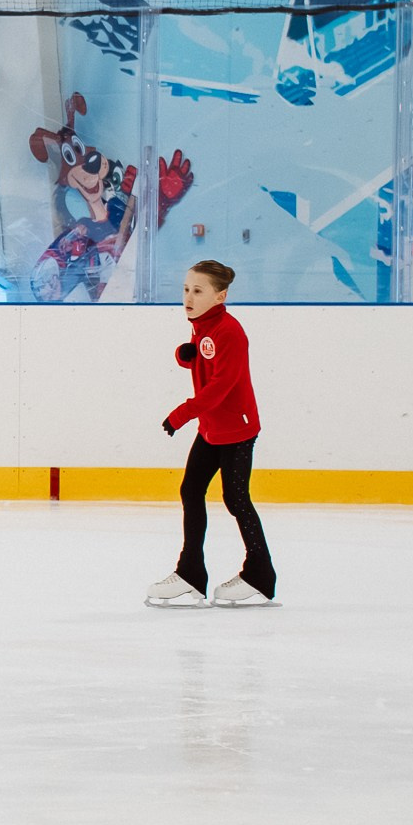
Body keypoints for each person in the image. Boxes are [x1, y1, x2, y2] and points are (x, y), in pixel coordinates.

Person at [148, 260, 275, 608]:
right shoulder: (202, 326)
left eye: (198, 291)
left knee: (236, 500)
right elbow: (208, 361)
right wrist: (186, 356)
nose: (188, 297)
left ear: (220, 296)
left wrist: (180, 414)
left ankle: (260, 575)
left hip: (236, 428)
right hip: (213, 428)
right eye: (186, 289)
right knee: (191, 490)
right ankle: (190, 573)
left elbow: (221, 385)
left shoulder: (230, 331)